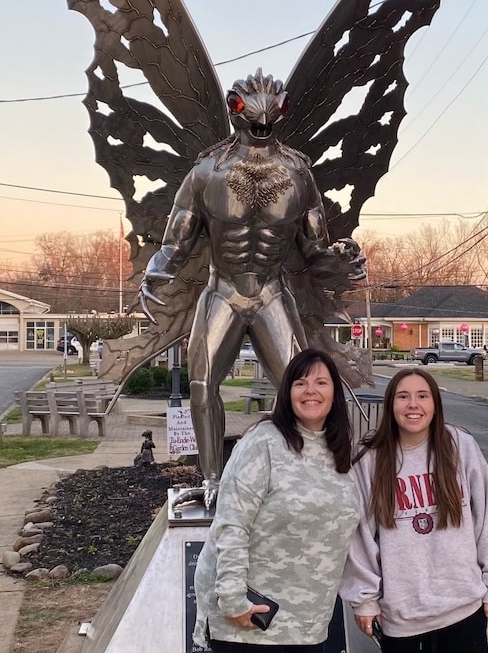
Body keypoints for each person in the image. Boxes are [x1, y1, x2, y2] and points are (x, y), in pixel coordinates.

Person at [137, 69, 365, 507]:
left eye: (270, 117)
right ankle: (212, 480)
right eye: (251, 116)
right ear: (234, 109)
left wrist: (340, 261)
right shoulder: (206, 173)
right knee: (201, 383)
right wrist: (155, 271)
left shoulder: (299, 173)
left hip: (272, 292)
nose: (261, 127)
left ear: (281, 113)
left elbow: (315, 252)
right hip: (222, 290)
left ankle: (306, 474)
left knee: (303, 387)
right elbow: (175, 241)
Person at [192, 348, 359, 652]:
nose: (311, 390)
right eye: (300, 383)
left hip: (310, 624)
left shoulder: (340, 451)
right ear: (287, 392)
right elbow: (232, 523)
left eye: (321, 383)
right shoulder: (263, 442)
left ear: (335, 393)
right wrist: (232, 599)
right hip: (251, 620)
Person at [342, 368, 488, 652]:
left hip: (462, 607)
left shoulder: (459, 447)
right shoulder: (369, 459)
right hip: (403, 616)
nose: (413, 404)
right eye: (403, 396)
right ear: (390, 405)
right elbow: (360, 537)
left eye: (422, 396)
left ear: (435, 404)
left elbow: (484, 522)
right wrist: (365, 598)